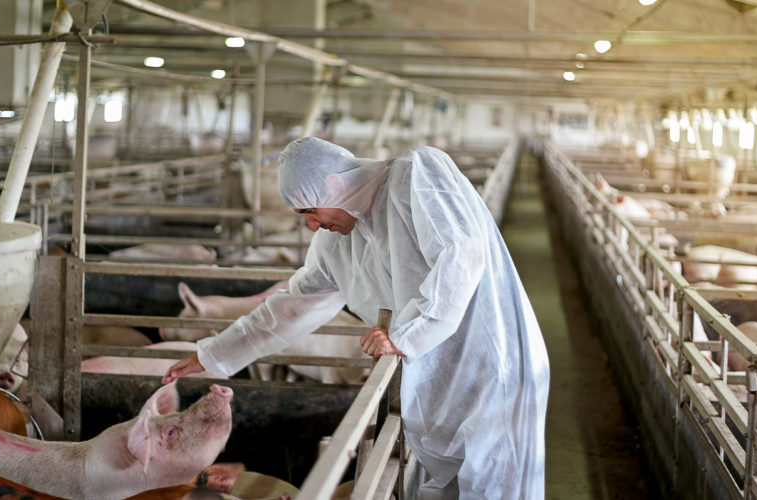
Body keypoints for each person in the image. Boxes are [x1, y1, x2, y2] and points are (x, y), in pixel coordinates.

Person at [163, 137, 550, 499]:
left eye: (310, 211)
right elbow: (292, 305)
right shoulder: (336, 242)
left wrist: (406, 337)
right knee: (444, 487)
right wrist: (213, 354)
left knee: (496, 484)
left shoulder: (415, 175)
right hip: (432, 386)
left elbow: (460, 254)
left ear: (334, 185)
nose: (311, 225)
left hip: (492, 367)